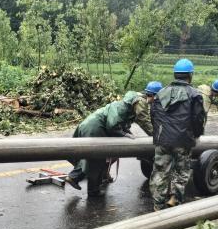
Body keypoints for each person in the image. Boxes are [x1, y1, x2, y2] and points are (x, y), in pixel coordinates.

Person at [65, 81, 163, 197]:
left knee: (100, 156)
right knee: (96, 159)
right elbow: (143, 121)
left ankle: (91, 178)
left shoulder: (133, 101)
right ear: (153, 95)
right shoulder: (140, 102)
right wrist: (157, 135)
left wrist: (127, 132)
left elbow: (124, 121)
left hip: (94, 125)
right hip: (95, 127)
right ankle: (86, 186)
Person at [149, 59, 206, 211]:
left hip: (162, 140)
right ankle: (174, 199)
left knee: (160, 172)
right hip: (183, 141)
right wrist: (197, 135)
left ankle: (157, 205)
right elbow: (198, 119)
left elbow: (153, 116)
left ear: (175, 74)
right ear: (190, 75)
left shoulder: (160, 93)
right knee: (181, 172)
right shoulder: (194, 95)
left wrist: (158, 134)